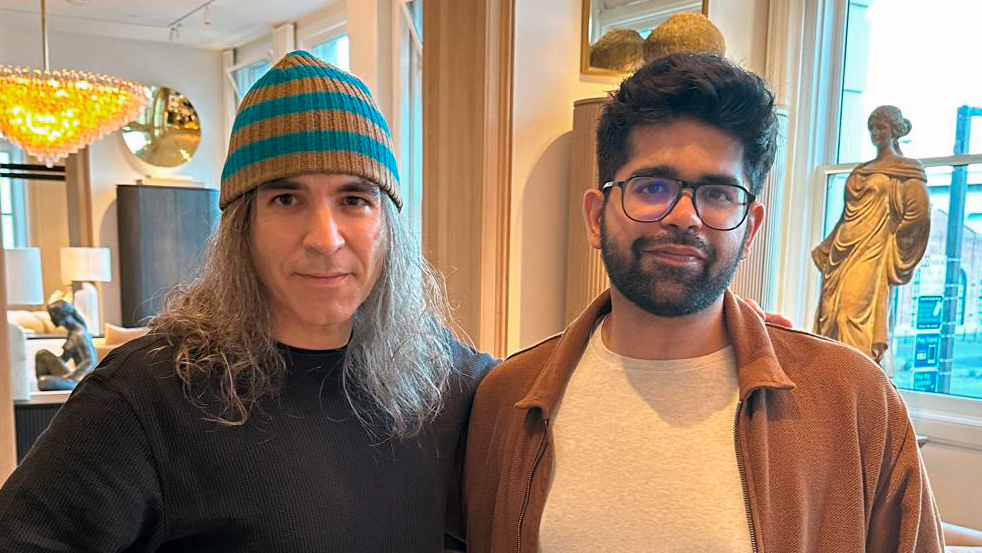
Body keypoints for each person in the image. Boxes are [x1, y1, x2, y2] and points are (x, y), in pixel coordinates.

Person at [0, 51, 493, 552]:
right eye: (286, 199)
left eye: (354, 200)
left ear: (387, 227)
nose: (325, 239)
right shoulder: (147, 395)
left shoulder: (440, 379)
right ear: (244, 226)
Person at [464, 53, 944, 552]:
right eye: (652, 186)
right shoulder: (504, 400)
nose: (684, 215)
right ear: (595, 217)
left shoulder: (852, 400)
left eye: (717, 193)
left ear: (749, 229)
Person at [813, 105, 931, 364]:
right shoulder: (861, 170)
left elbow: (919, 213)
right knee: (832, 315)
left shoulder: (906, 170)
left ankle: (858, 378)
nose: (876, 133)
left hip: (872, 251)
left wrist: (893, 245)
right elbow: (847, 216)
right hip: (843, 250)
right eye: (873, 128)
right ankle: (834, 375)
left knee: (851, 314)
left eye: (882, 127)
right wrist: (828, 246)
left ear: (895, 130)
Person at [34, 300, 98, 390]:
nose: (51, 319)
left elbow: (90, 361)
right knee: (42, 355)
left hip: (80, 381)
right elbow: (64, 359)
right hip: (72, 377)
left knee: (43, 382)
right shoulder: (72, 332)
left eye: (53, 315)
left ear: (61, 314)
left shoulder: (80, 334)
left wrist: (70, 376)